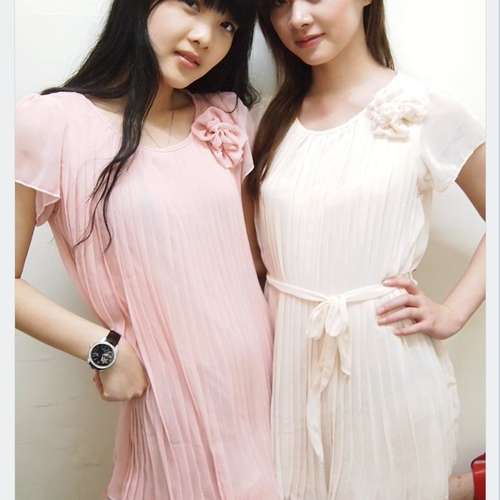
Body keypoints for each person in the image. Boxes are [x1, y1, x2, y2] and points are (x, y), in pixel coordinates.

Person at [15, 1, 281, 498]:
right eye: (193, 5)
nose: (205, 36)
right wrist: (102, 348)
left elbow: (256, 265)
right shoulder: (53, 124)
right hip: (167, 400)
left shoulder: (226, 117)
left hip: (263, 391)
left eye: (227, 25)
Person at [245, 0, 485, 499]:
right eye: (279, 4)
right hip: (284, 368)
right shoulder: (265, 121)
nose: (297, 18)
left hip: (385, 367)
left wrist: (453, 312)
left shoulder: (423, 110)